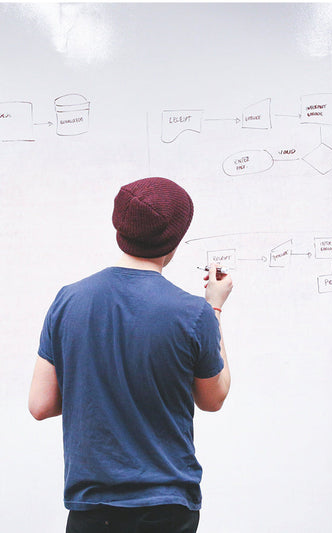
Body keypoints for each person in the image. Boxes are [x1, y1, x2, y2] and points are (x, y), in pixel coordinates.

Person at [28, 177, 232, 533]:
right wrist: (213, 308)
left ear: (119, 227)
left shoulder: (68, 300)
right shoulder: (192, 314)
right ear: (176, 238)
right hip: (166, 507)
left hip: (91, 507)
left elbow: (40, 404)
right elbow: (212, 399)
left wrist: (98, 384)